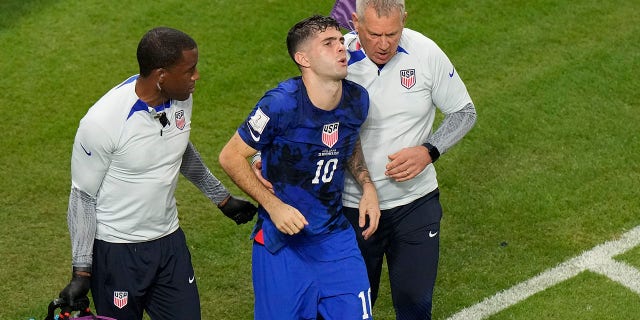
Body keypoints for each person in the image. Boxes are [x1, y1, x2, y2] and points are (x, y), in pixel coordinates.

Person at [252, 0, 477, 318]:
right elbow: (300, 115)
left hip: (415, 202)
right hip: (349, 209)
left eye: (393, 33)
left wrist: (429, 150)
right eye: (374, 34)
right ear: (355, 23)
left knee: (416, 301)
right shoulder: (334, 56)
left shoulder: (427, 53)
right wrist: (263, 156)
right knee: (350, 304)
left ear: (404, 21)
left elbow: (464, 112)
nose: (384, 44)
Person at [57, 27, 257, 320]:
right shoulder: (102, 123)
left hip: (169, 243)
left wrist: (223, 200)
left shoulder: (182, 97)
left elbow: (178, 147)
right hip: (117, 252)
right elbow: (82, 198)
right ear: (161, 76)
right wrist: (81, 271)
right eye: (189, 70)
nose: (196, 76)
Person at [218, 15, 381, 320]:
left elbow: (347, 140)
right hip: (282, 247)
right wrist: (273, 205)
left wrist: (367, 186)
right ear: (302, 58)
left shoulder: (357, 100)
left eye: (340, 40)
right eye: (328, 43)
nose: (341, 48)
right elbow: (230, 156)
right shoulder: (281, 105)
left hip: (336, 240)